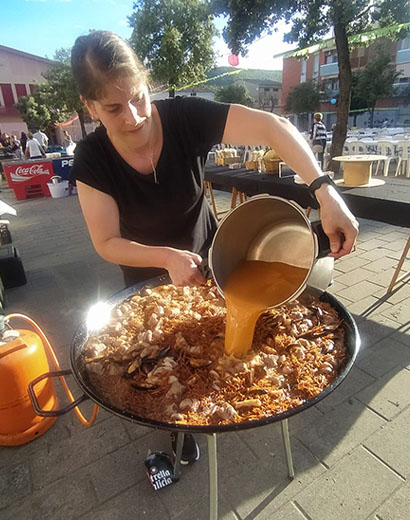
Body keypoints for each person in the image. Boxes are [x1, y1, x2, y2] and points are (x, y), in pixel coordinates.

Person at [70, 31, 359, 465]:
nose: (132, 116)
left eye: (139, 98)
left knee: (227, 363)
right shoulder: (91, 158)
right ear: (90, 106)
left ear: (147, 84)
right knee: (161, 372)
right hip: (148, 272)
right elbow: (106, 242)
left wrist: (325, 192)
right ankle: (178, 431)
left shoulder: (184, 117)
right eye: (112, 108)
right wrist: (164, 257)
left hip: (215, 260)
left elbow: (273, 127)